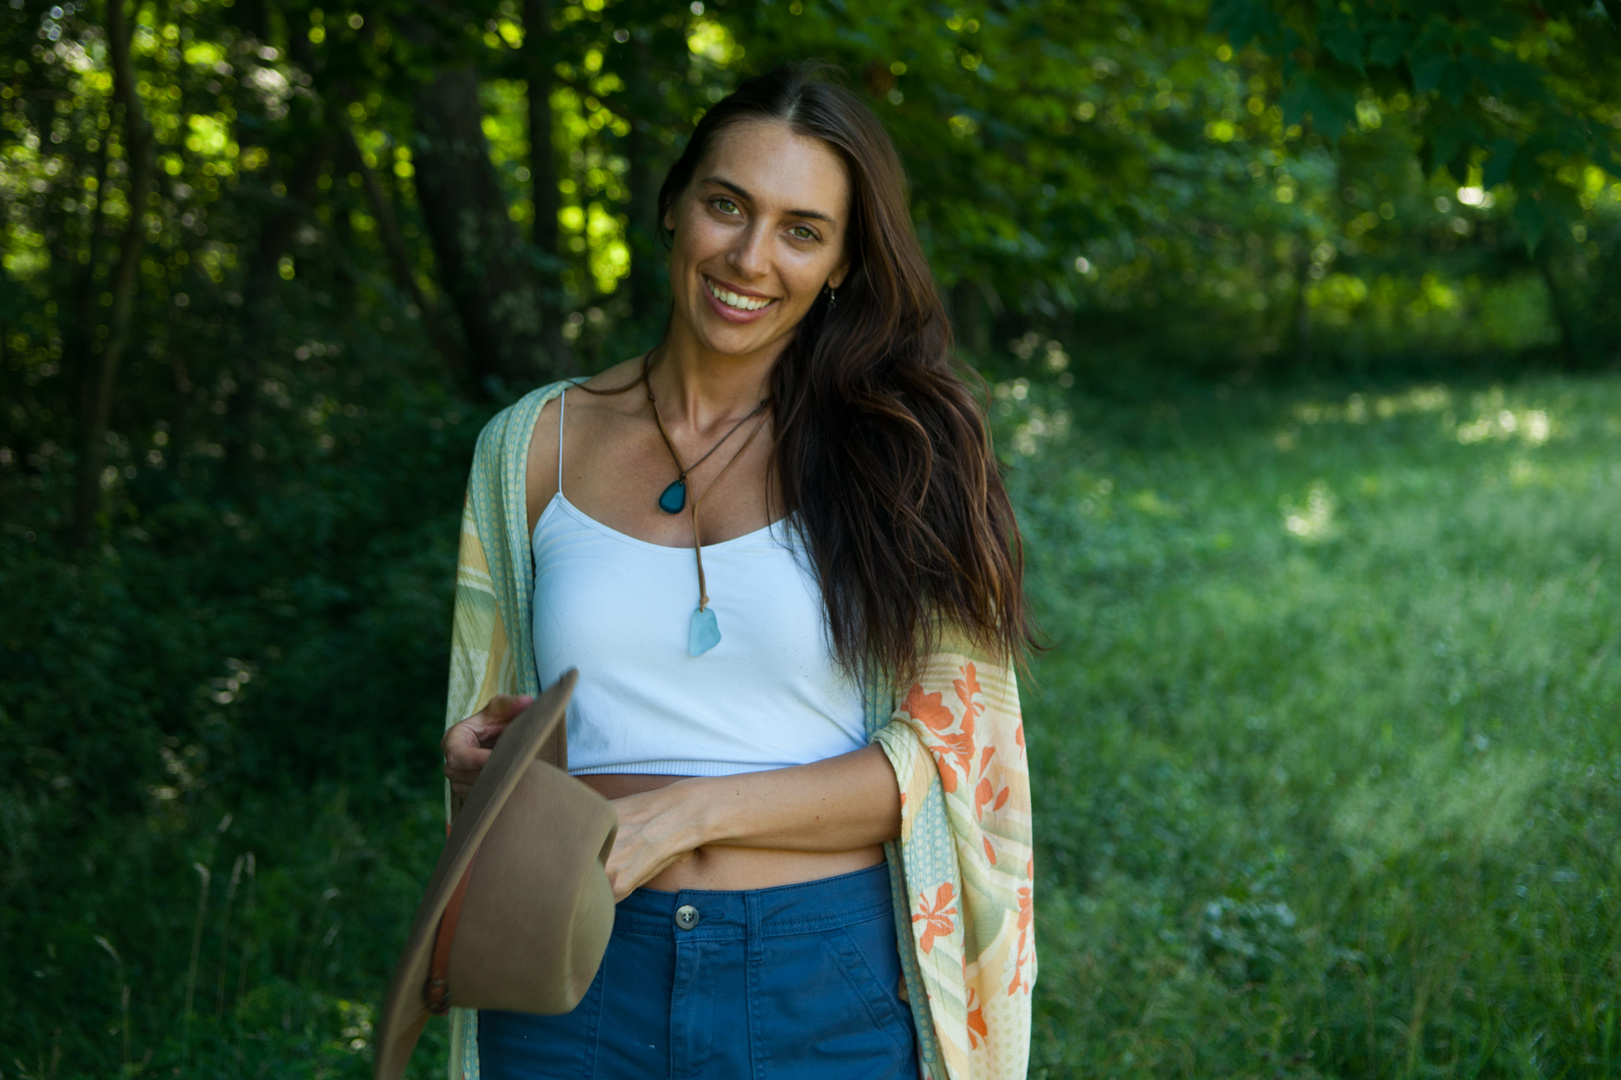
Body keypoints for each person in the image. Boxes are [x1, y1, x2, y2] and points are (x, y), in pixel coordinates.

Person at [437, 62, 1034, 1080]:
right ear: (674, 208)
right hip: (571, 969)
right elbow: (504, 728)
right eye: (727, 206)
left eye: (802, 230)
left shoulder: (905, 451)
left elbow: (954, 761)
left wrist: (686, 814)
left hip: (817, 978)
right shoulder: (528, 445)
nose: (751, 258)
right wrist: (488, 756)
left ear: (843, 262)